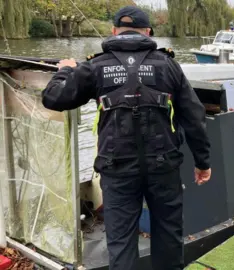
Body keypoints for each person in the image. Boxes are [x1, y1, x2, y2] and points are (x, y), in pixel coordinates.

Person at [41, 6, 212, 270]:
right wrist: (203, 162)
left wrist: (65, 70)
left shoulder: (94, 66)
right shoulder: (168, 65)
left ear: (113, 31)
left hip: (117, 169)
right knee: (168, 238)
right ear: (147, 32)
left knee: (121, 244)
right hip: (163, 166)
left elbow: (54, 99)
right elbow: (194, 116)